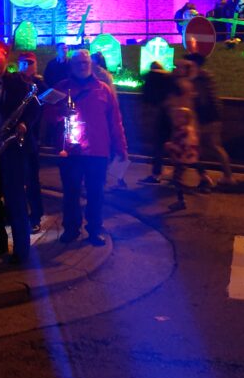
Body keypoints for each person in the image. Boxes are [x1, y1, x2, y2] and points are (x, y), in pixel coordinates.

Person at [57, 48, 128, 246]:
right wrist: (59, 113)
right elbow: (47, 116)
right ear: (72, 66)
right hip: (71, 151)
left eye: (85, 63)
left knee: (96, 193)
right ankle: (71, 229)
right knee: (71, 192)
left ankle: (95, 229)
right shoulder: (62, 88)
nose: (82, 66)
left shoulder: (103, 90)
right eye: (78, 63)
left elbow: (115, 121)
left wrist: (121, 146)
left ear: (91, 65)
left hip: (97, 150)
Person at [0, 42, 38, 264]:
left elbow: (34, 108)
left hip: (14, 149)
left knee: (16, 200)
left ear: (5, 58)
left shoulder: (20, 82)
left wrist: (24, 124)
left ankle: (21, 249)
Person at [183, 53, 234, 189]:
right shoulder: (203, 76)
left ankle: (213, 177)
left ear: (195, 64)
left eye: (189, 64)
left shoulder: (199, 78)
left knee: (205, 147)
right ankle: (221, 176)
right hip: (211, 117)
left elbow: (203, 101)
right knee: (210, 147)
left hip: (206, 119)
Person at [16, 51, 46, 233]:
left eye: (30, 63)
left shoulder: (40, 84)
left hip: (31, 137)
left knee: (32, 179)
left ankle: (35, 216)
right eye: (24, 63)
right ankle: (17, 213)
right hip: (14, 136)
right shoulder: (13, 82)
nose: (27, 66)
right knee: (15, 179)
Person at [140, 61, 174, 183]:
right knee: (174, 145)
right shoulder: (169, 77)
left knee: (158, 146)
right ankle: (179, 173)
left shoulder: (150, 77)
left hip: (158, 115)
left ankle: (156, 173)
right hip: (171, 115)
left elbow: (146, 97)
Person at [165, 105, 200, 212]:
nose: (177, 119)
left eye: (180, 117)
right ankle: (184, 197)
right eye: (176, 117)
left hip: (183, 160)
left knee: (177, 180)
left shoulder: (183, 131)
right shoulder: (188, 130)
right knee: (177, 180)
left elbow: (183, 146)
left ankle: (182, 200)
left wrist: (171, 146)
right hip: (185, 159)